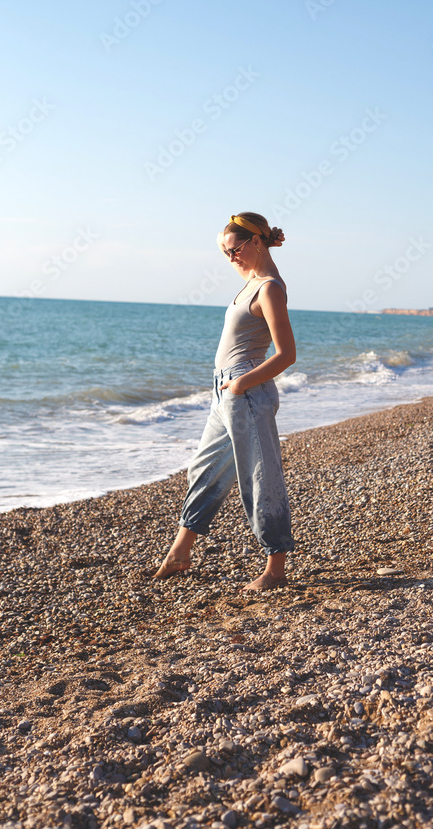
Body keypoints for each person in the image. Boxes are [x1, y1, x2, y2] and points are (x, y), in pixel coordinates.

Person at [153, 211, 296, 591]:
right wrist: (260, 236)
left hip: (245, 392)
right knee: (204, 469)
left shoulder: (268, 288)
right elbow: (224, 238)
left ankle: (275, 569)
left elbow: (286, 355)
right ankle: (180, 552)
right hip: (224, 393)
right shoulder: (248, 276)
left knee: (261, 478)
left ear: (253, 244)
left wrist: (241, 384)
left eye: (235, 250)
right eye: (227, 252)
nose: (228, 256)